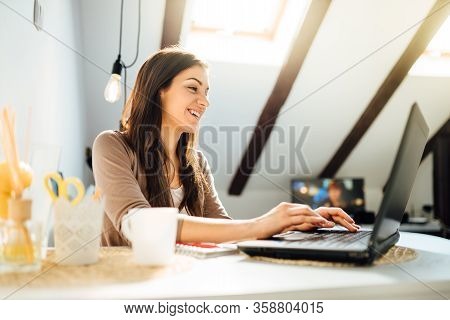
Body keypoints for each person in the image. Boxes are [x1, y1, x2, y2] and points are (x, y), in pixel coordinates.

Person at [92, 47, 360, 246]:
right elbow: (139, 224)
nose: (204, 102)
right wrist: (264, 222)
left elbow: (224, 230)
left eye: (206, 92)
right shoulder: (112, 145)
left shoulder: (196, 162)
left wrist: (292, 225)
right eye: (193, 88)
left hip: (184, 281)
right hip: (131, 285)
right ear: (158, 90)